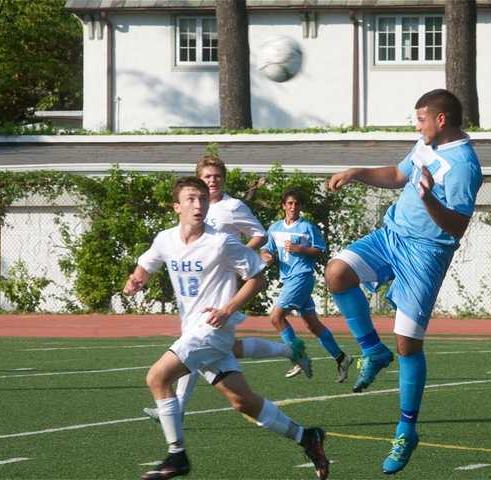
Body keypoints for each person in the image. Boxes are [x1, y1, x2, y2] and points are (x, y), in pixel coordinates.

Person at [125, 177, 329, 480]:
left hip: (211, 331)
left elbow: (257, 278)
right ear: (176, 206)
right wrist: (136, 279)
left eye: (203, 199)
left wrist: (227, 309)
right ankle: (306, 437)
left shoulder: (221, 241)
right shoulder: (165, 239)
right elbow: (146, 265)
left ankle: (176, 455)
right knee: (242, 402)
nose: (199, 205)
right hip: (192, 330)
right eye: (192, 199)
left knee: (157, 376)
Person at [325, 89, 482, 474]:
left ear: (440, 120)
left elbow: (458, 225)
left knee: (408, 344)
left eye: (420, 119)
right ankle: (372, 351)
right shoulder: (425, 145)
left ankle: (406, 429)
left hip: (427, 253)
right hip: (391, 236)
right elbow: (399, 175)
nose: (416, 126)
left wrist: (429, 200)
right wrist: (356, 172)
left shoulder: (463, 165)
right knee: (336, 273)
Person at [143, 156, 308, 422]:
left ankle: (179, 410)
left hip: (222, 283)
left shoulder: (233, 206)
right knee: (222, 347)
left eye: (217, 176)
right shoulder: (192, 205)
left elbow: (259, 234)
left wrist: (240, 258)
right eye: (207, 176)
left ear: (224, 179)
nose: (212, 181)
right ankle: (289, 351)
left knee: (196, 341)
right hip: (198, 285)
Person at [261, 189, 353, 382]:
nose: (293, 207)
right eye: (290, 203)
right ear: (283, 206)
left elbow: (320, 250)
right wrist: (267, 257)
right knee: (312, 324)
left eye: (297, 204)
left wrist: (300, 249)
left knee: (276, 317)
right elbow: (266, 249)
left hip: (301, 277)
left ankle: (298, 356)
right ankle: (342, 358)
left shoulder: (307, 227)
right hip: (289, 279)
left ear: (300, 207)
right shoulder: (275, 228)